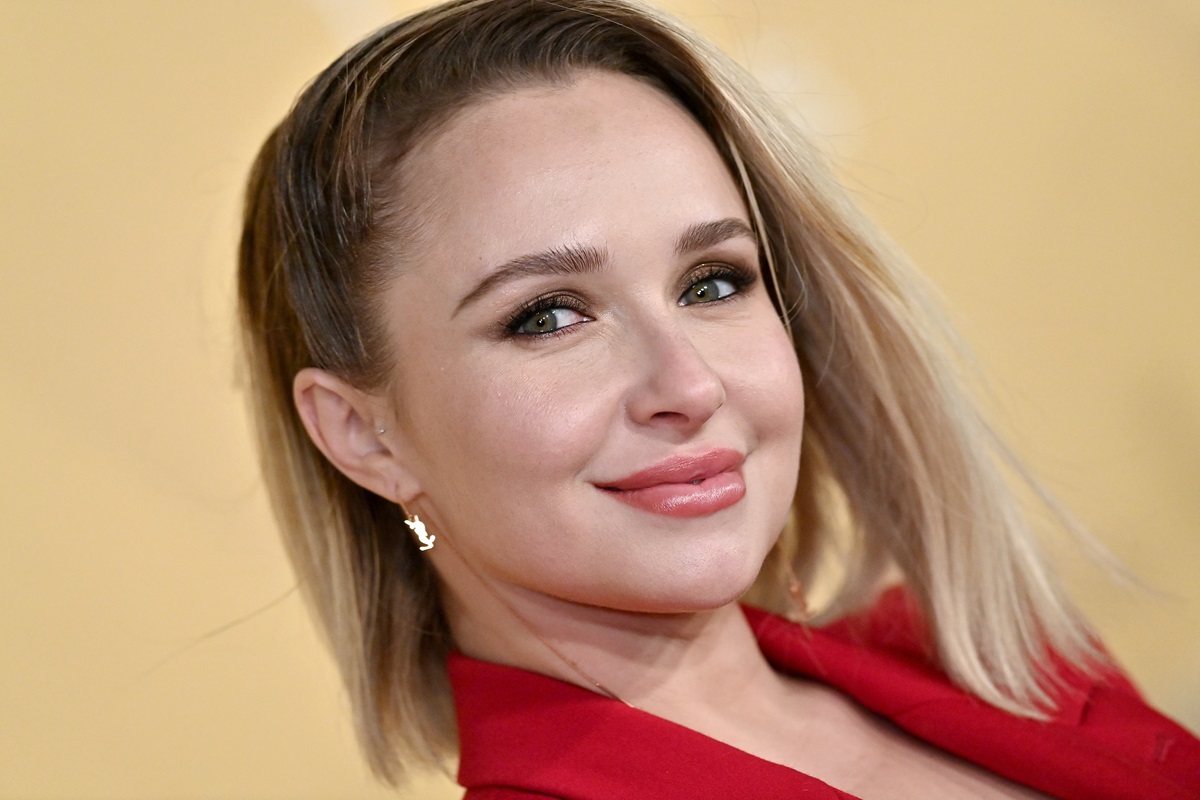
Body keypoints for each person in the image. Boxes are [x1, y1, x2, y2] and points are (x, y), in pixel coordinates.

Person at [236, 1, 1200, 797]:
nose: (690, 385)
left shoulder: (998, 658)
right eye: (549, 316)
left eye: (713, 282)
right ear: (365, 435)